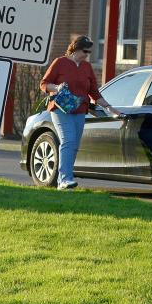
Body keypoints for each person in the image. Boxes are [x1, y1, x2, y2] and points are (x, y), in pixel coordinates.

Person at [40, 36, 122, 189]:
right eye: (85, 51)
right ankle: (64, 179)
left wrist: (109, 107)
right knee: (68, 141)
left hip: (79, 110)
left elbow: (94, 93)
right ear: (76, 48)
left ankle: (65, 179)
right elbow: (44, 84)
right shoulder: (60, 62)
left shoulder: (87, 67)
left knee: (74, 145)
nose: (87, 54)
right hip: (61, 109)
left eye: (89, 52)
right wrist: (57, 88)